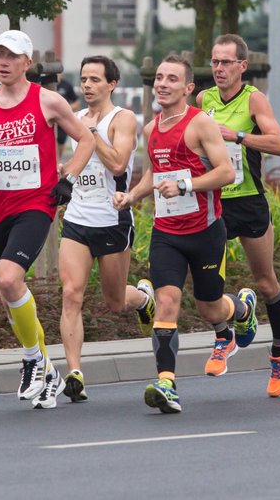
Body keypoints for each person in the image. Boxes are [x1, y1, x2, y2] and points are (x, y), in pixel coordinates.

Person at [0, 30, 95, 409]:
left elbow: (87, 139)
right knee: (8, 292)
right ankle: (47, 370)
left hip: (36, 205)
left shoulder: (48, 100)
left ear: (27, 62)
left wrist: (68, 179)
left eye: (11, 56)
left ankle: (31, 361)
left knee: (10, 278)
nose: (3, 62)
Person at [113, 54, 257, 414]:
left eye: (172, 79)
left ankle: (242, 310)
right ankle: (167, 382)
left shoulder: (200, 124)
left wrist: (186, 185)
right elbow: (153, 174)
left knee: (210, 308)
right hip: (167, 233)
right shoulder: (151, 129)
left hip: (206, 231)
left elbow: (226, 173)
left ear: (189, 87)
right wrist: (132, 195)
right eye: (159, 77)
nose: (162, 84)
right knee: (166, 303)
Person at [196, 34, 280, 398]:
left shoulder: (254, 99)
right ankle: (226, 332)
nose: (219, 69)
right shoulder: (203, 100)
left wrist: (236, 135)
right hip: (215, 203)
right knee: (206, 286)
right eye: (214, 62)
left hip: (249, 201)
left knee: (266, 282)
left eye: (226, 62)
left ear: (242, 66)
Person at [57, 55, 157, 402]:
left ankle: (144, 298)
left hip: (113, 219)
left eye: (95, 80)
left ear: (112, 84)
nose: (87, 85)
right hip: (78, 218)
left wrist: (89, 134)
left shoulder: (123, 118)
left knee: (115, 302)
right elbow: (77, 162)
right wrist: (63, 173)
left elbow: (117, 161)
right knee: (72, 294)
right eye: (83, 79)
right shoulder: (76, 118)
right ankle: (74, 373)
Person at [56, 76, 81, 157]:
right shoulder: (44, 83)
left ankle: (57, 164)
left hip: (62, 120)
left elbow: (76, 102)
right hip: (50, 120)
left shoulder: (66, 85)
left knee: (60, 144)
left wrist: (65, 109)